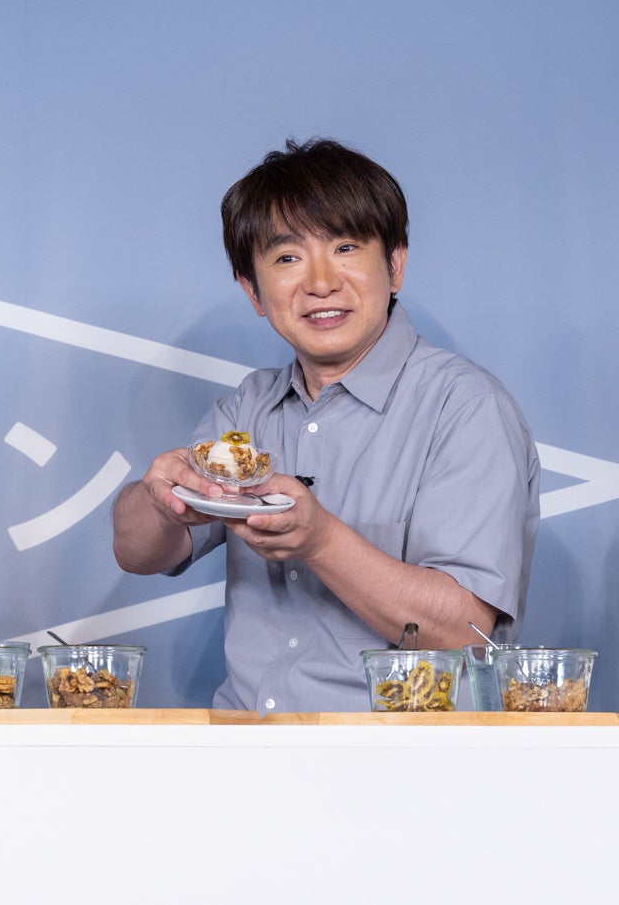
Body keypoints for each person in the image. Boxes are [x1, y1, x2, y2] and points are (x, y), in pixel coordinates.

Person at [112, 138, 540, 713]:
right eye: (287, 258)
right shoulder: (247, 409)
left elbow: (465, 631)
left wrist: (320, 540)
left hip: (398, 756)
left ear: (395, 265)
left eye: (345, 247)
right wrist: (158, 501)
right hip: (247, 746)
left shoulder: (465, 407)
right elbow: (138, 553)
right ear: (252, 290)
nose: (320, 282)